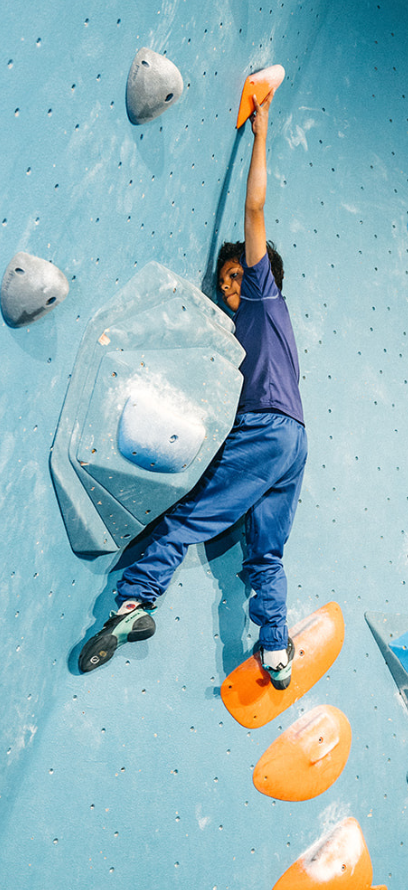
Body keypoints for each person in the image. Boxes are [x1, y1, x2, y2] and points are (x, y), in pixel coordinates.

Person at [79, 89, 307, 689]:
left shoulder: (264, 296)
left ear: (260, 277)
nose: (231, 288)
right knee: (266, 555)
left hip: (264, 432)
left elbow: (254, 213)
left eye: (237, 278)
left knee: (182, 516)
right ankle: (276, 647)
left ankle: (135, 602)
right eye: (227, 282)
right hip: (293, 442)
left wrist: (261, 134)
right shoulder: (257, 335)